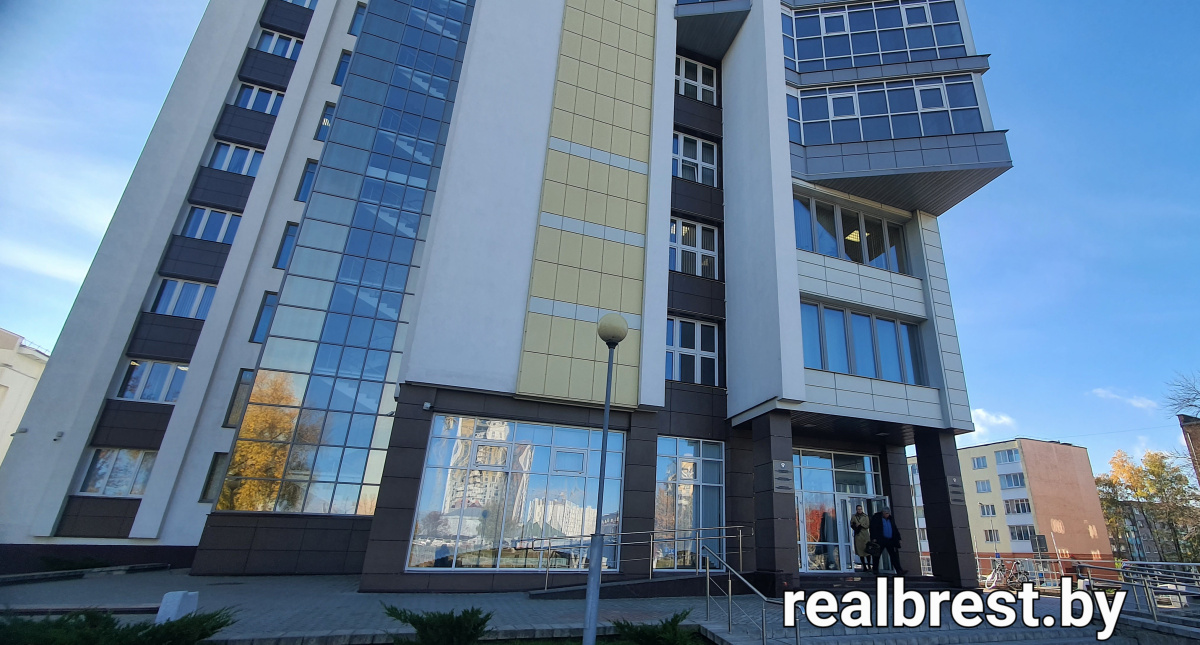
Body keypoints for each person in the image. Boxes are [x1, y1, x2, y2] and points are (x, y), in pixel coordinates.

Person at [869, 507, 907, 576]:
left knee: (894, 555)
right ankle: (875, 569)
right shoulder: (877, 518)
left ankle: (899, 570)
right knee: (877, 555)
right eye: (886, 513)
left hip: (890, 540)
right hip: (880, 539)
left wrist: (898, 538)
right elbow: (872, 528)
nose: (887, 515)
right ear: (883, 513)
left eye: (888, 513)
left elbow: (894, 528)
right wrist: (874, 538)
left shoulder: (890, 519)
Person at [850, 505, 872, 572]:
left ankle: (869, 565)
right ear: (856, 510)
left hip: (865, 535)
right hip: (858, 535)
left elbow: (867, 525)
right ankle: (864, 566)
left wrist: (861, 525)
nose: (859, 510)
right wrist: (855, 526)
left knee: (867, 551)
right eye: (858, 509)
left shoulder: (865, 516)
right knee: (860, 551)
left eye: (860, 509)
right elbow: (851, 524)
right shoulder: (854, 516)